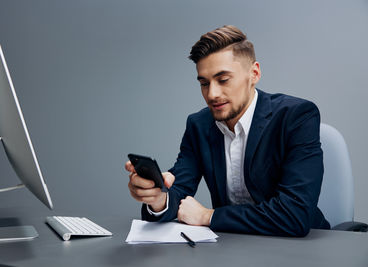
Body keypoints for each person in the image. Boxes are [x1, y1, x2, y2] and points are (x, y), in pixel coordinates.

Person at [125, 25, 330, 237]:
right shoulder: (199, 125)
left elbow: (294, 215)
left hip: (301, 249)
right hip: (232, 247)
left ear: (254, 73)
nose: (212, 94)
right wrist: (159, 200)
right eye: (204, 83)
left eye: (223, 80)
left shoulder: (297, 116)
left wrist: (209, 217)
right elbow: (179, 189)